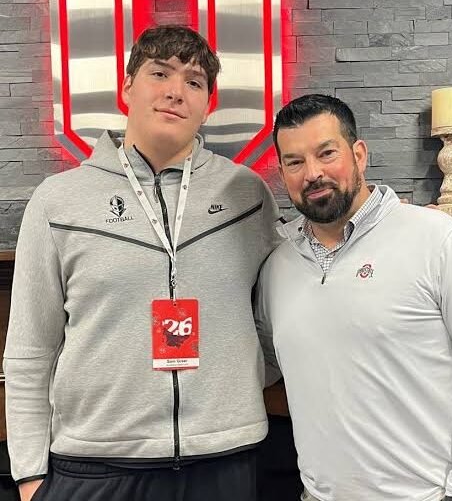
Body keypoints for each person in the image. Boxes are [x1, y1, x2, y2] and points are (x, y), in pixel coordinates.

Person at [4, 25, 282, 501]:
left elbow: (279, 310)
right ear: (127, 87)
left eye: (194, 82)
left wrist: (237, 381)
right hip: (95, 466)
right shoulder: (58, 201)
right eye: (160, 73)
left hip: (224, 460)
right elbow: (31, 347)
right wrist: (29, 474)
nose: (176, 91)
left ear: (208, 104)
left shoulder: (247, 194)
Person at [255, 93, 452, 501]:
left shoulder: (440, 241)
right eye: (295, 162)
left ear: (358, 154)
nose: (313, 173)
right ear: (282, 173)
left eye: (326, 153)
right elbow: (267, 372)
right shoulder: (277, 269)